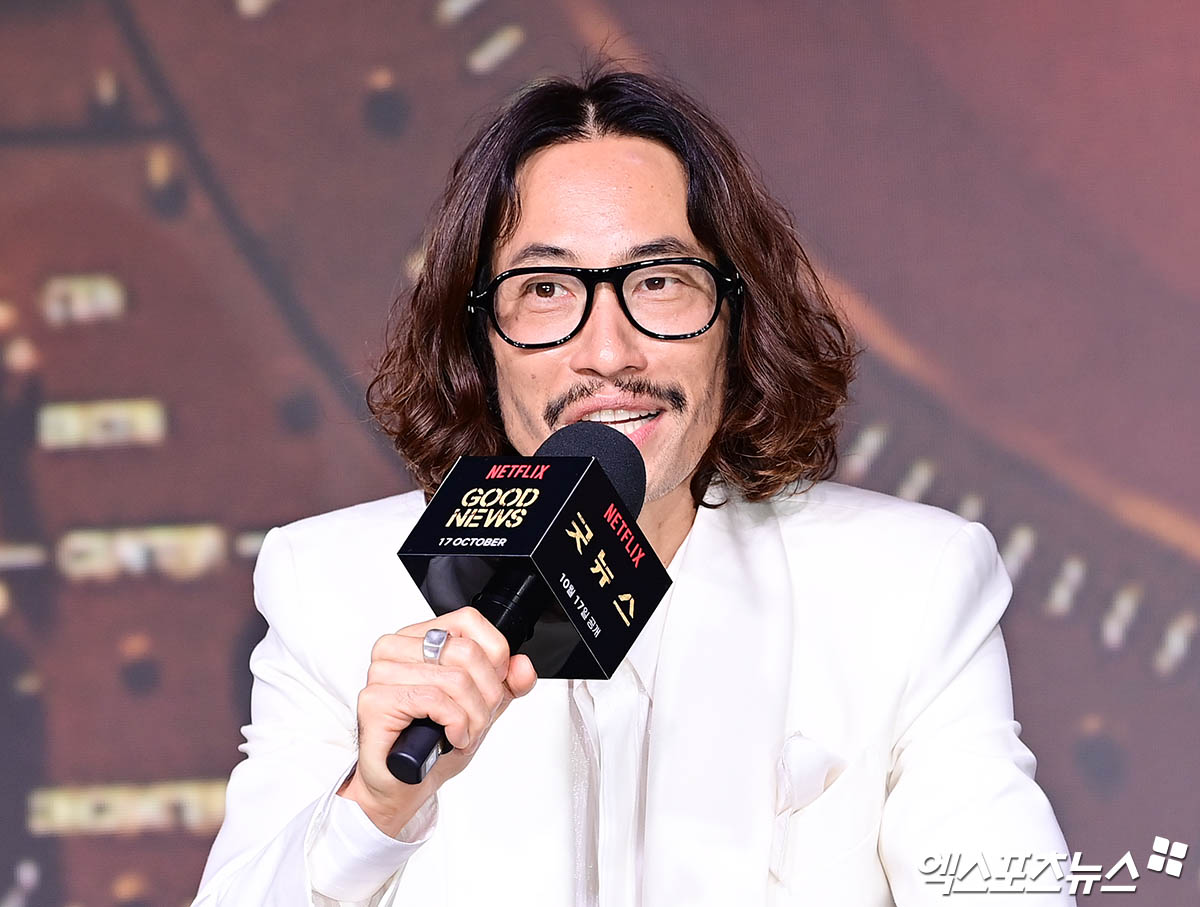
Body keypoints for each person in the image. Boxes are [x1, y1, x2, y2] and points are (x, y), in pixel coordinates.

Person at [195, 67, 1073, 906]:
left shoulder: (909, 585)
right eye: (546, 289)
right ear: (479, 337)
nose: (609, 353)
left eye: (657, 282)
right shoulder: (331, 585)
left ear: (736, 319)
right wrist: (376, 804)